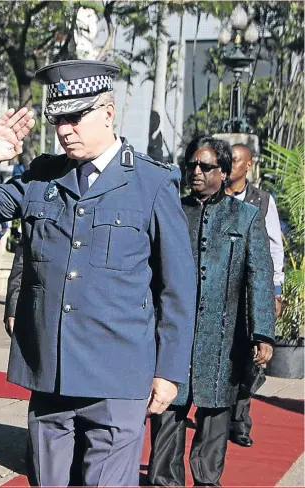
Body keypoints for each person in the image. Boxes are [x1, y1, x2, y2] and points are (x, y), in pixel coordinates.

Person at [0, 60, 196, 486]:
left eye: (75, 116)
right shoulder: (41, 176)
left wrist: (169, 371)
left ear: (108, 112)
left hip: (118, 376)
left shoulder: (150, 182)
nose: (64, 129)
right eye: (58, 119)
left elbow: (176, 287)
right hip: (51, 373)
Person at [148, 136, 275, 487]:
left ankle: (206, 479)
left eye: (206, 167)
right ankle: (164, 481)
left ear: (225, 171)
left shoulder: (246, 217)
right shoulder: (172, 211)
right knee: (168, 409)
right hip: (174, 334)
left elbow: (259, 276)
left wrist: (262, 332)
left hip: (224, 339)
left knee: (216, 414)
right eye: (192, 165)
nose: (197, 173)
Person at [225, 142, 285, 448]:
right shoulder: (213, 195)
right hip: (220, 293)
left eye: (236, 160)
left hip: (251, 292)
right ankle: (220, 417)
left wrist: (274, 291)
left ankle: (240, 421)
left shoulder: (262, 201)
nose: (230, 164)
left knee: (249, 363)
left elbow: (275, 247)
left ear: (249, 165)